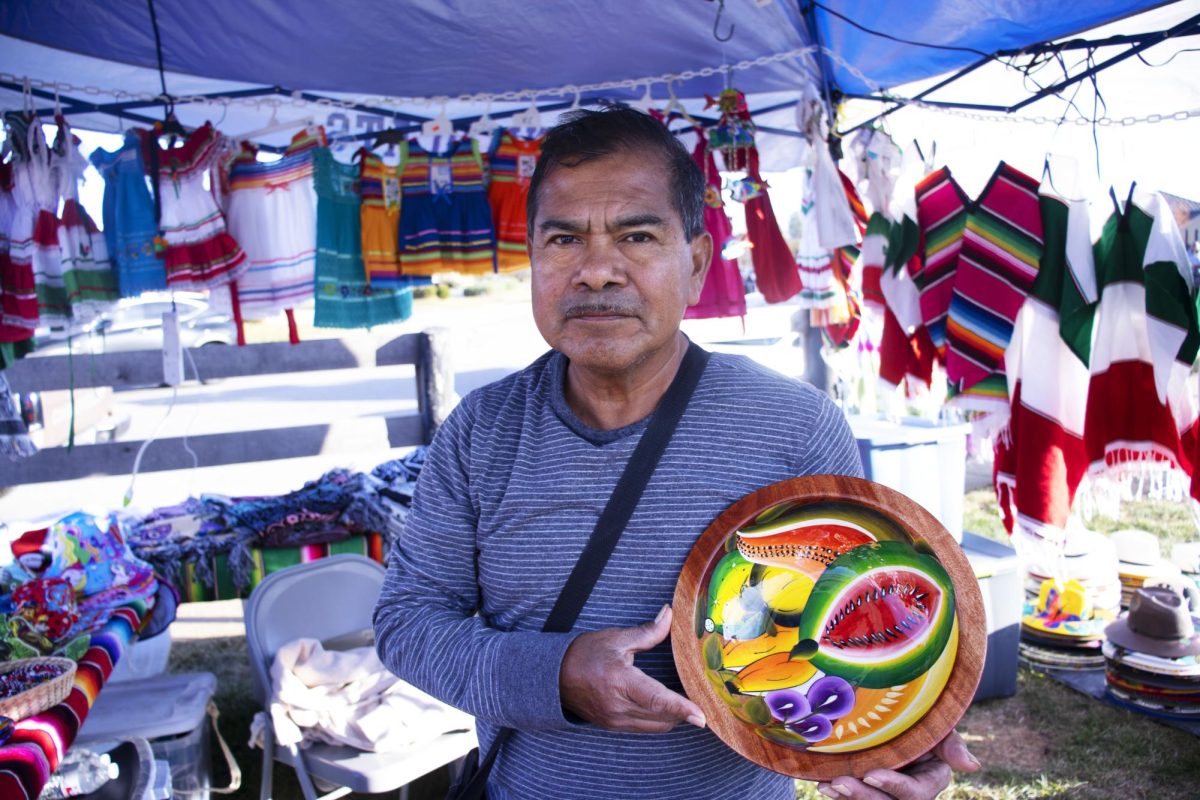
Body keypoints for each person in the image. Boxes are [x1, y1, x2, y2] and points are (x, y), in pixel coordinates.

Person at [373, 106, 979, 800]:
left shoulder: (795, 428)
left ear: (695, 265)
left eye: (636, 235)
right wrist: (557, 673)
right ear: (533, 261)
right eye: (564, 239)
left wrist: (904, 730)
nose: (597, 271)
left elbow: (865, 610)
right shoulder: (480, 432)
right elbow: (409, 624)